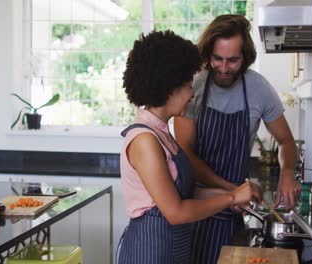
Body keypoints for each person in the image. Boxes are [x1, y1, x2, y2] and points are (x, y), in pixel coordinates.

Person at [116, 30, 259, 264]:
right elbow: (176, 211)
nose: (191, 94)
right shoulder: (145, 141)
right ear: (168, 86)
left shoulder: (163, 135)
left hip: (173, 252)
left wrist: (233, 197)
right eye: (187, 84)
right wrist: (232, 195)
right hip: (149, 254)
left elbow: (187, 192)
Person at [174, 14, 301, 264]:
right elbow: (186, 154)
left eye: (232, 60)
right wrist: (232, 190)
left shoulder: (259, 89)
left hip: (232, 213)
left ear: (246, 58)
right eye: (217, 59)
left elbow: (286, 141)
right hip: (194, 207)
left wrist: (288, 172)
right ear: (208, 54)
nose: (222, 68)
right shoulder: (193, 88)